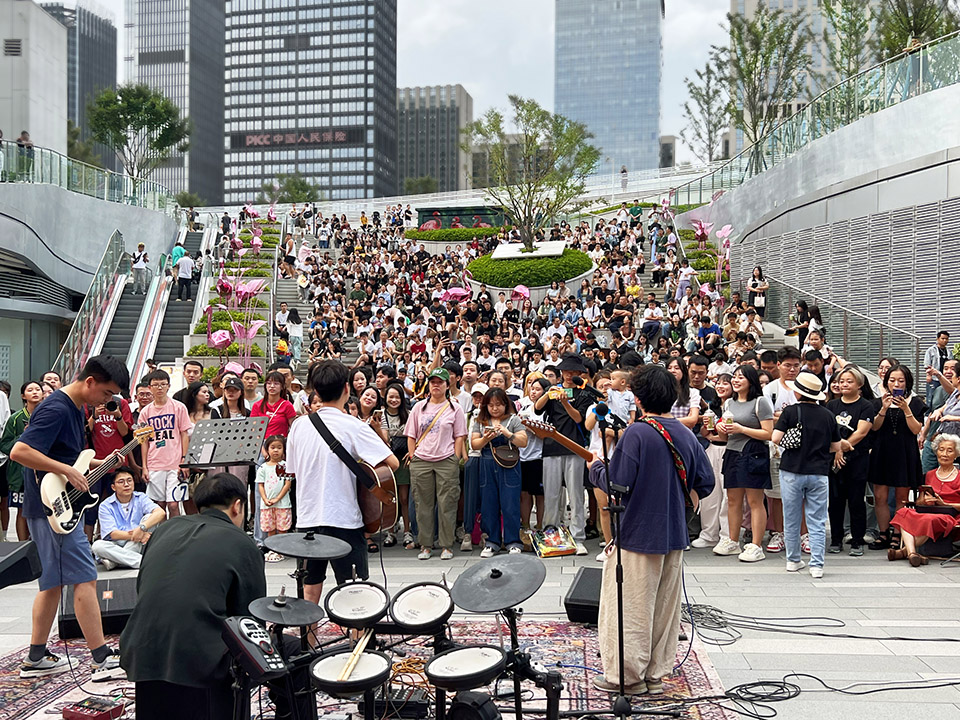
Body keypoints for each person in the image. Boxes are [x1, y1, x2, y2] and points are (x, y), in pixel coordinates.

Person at [119, 473, 306, 720]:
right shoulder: (242, 543)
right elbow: (249, 623)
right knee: (295, 651)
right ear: (238, 506)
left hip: (141, 649)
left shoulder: (164, 529)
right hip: (201, 661)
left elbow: (145, 587)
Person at [592, 365, 714, 696]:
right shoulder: (686, 433)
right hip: (674, 533)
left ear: (638, 396)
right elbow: (706, 481)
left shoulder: (638, 432)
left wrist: (595, 469)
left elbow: (618, 484)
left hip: (639, 533)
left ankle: (626, 677)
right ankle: (655, 676)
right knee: (664, 611)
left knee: (630, 609)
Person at [10, 355, 129, 680]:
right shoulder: (57, 407)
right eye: (106, 393)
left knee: (51, 584)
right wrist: (65, 470)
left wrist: (94, 463)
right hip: (54, 507)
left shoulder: (76, 407)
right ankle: (101, 659)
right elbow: (19, 452)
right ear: (90, 382)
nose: (108, 401)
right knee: (84, 578)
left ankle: (35, 657)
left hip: (49, 505)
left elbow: (65, 456)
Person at [287, 360, 398, 608]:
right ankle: (355, 642)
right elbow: (392, 463)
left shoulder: (298, 426)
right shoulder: (353, 425)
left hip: (307, 519)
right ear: (347, 389)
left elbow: (293, 470)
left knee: (310, 587)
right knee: (353, 591)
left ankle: (310, 641)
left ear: (315, 389)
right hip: (344, 518)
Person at [772, 371, 841, 578]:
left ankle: (793, 560)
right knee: (817, 520)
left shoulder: (791, 412)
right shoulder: (828, 414)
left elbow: (775, 438)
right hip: (819, 472)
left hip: (791, 470)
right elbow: (836, 446)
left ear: (798, 392)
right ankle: (817, 565)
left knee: (791, 517)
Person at [713, 364, 774, 563]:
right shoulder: (729, 403)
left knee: (755, 500)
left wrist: (741, 428)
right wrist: (719, 427)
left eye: (741, 377)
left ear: (751, 381)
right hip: (732, 452)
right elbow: (724, 436)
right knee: (732, 499)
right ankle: (732, 540)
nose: (736, 381)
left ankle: (756, 545)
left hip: (754, 452)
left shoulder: (760, 402)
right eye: (735, 377)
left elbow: (768, 433)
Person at [534, 355, 594, 555]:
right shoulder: (554, 391)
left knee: (576, 495)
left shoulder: (584, 394)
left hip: (575, 446)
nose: (569, 375)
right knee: (551, 494)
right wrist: (549, 392)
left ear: (579, 374)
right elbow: (537, 408)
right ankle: (551, 534)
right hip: (552, 446)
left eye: (573, 372)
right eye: (566, 372)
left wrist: (567, 402)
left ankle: (578, 537)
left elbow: (579, 418)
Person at [405, 368, 467, 560]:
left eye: (440, 382)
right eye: (433, 382)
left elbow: (460, 435)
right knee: (422, 504)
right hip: (422, 460)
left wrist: (455, 457)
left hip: (446, 459)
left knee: (447, 503)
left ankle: (446, 545)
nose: (436, 385)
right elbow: (411, 434)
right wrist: (413, 455)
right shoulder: (418, 407)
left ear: (448, 385)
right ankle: (426, 544)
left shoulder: (454, 408)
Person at [868, 364, 924, 549]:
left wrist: (906, 409)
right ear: (886, 382)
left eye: (901, 380)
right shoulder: (878, 402)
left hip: (904, 452)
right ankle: (883, 533)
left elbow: (916, 429)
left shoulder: (916, 402)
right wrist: (883, 409)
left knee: (901, 497)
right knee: (880, 496)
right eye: (892, 380)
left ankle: (898, 533)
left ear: (907, 382)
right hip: (882, 451)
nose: (896, 384)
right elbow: (874, 427)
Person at [471, 387, 528, 557]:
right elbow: (474, 444)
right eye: (491, 405)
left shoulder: (513, 419)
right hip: (487, 463)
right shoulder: (480, 421)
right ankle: (492, 541)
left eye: (498, 405)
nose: (495, 408)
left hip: (509, 463)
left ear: (505, 404)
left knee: (510, 503)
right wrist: (486, 438)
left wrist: (507, 433)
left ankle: (513, 541)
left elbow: (523, 441)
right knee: (489, 503)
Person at [889, 433, 960, 566]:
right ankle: (912, 554)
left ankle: (905, 552)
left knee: (929, 519)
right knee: (903, 512)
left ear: (956, 454)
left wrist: (945, 504)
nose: (944, 454)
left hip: (951, 515)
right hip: (928, 512)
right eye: (941, 449)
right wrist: (924, 501)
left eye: (949, 450)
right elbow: (919, 501)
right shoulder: (928, 475)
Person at [826, 366, 876, 556]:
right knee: (836, 500)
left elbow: (862, 432)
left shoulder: (866, 406)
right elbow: (829, 431)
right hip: (834, 459)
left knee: (856, 500)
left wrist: (842, 447)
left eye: (849, 381)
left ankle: (857, 540)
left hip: (857, 458)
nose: (844, 384)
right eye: (842, 381)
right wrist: (837, 449)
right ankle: (836, 539)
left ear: (859, 384)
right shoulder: (831, 405)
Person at [139, 370, 194, 518]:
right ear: (150, 388)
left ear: (169, 386)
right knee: (159, 506)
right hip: (155, 463)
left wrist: (184, 460)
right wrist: (144, 467)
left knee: (174, 503)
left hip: (175, 463)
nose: (159, 388)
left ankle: (175, 535)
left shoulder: (179, 407)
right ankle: (161, 536)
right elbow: (143, 441)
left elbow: (184, 434)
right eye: (155, 385)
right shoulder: (145, 412)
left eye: (163, 384)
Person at [91, 468, 165, 570]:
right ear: (113, 487)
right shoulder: (105, 505)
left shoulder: (141, 497)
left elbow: (160, 513)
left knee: (149, 517)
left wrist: (141, 528)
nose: (126, 484)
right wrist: (138, 535)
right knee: (97, 546)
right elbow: (112, 534)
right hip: (118, 542)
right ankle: (143, 562)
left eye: (129, 480)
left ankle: (114, 561)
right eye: (121, 482)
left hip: (137, 542)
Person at [1, 381, 44, 541]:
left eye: (38, 389)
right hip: (20, 474)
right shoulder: (15, 418)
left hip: (44, 470)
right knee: (22, 510)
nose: (35, 392)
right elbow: (4, 445)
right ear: (23, 395)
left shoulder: (49, 415)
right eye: (30, 390)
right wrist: (23, 437)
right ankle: (22, 546)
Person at [257, 435, 292, 562]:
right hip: (267, 504)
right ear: (267, 449)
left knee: (282, 527)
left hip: (282, 503)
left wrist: (277, 498)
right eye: (272, 447)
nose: (276, 450)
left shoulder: (285, 466)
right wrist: (265, 499)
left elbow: (287, 484)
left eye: (279, 447)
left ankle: (282, 549)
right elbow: (260, 485)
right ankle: (272, 549)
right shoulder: (263, 467)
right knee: (270, 528)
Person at [924, 331, 951, 408]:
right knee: (931, 396)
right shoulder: (931, 350)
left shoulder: (948, 351)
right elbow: (927, 364)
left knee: (944, 396)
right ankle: (928, 414)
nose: (945, 340)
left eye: (946, 339)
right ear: (937, 339)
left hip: (945, 379)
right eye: (942, 338)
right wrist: (928, 375)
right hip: (934, 378)